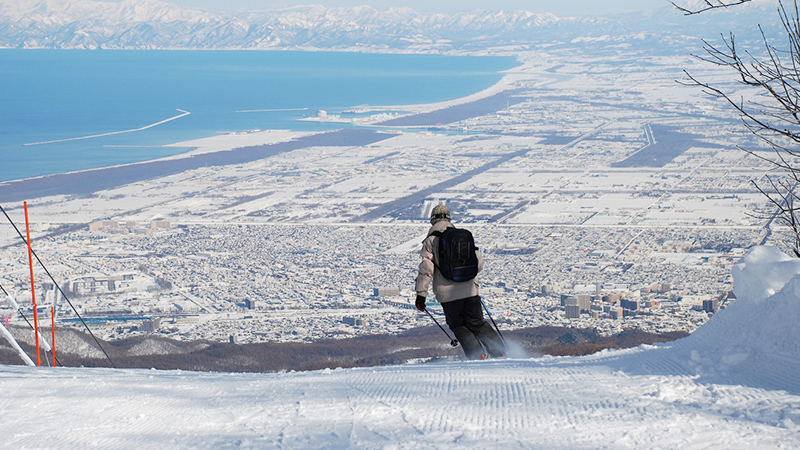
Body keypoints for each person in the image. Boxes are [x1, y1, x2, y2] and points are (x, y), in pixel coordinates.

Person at [415, 204, 506, 359]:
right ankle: (501, 352)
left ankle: (478, 356)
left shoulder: (430, 241)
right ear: (449, 219)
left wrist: (421, 295)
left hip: (448, 295)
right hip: (470, 290)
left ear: (432, 221)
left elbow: (426, 269)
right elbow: (479, 264)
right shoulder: (463, 237)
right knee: (477, 322)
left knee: (459, 326)